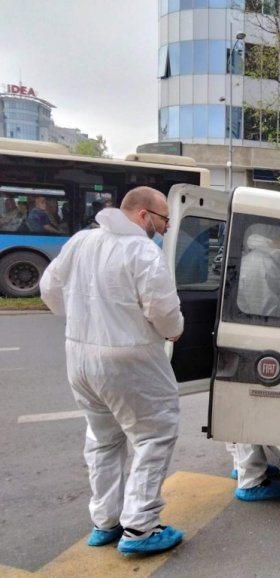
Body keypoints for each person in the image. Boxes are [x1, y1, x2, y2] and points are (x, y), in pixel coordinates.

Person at [39, 186, 186, 555]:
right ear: (143, 215)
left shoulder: (81, 241)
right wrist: (174, 330)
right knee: (154, 436)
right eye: (164, 220)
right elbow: (163, 310)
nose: (165, 228)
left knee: (103, 440)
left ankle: (105, 521)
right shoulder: (142, 251)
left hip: (80, 357)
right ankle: (140, 528)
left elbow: (49, 290)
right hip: (130, 359)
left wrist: (85, 320)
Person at [226, 225, 280, 502]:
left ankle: (244, 465)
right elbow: (267, 308)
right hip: (255, 338)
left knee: (238, 409)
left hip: (244, 335)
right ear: (279, 238)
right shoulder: (264, 263)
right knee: (248, 411)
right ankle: (251, 480)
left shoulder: (255, 258)